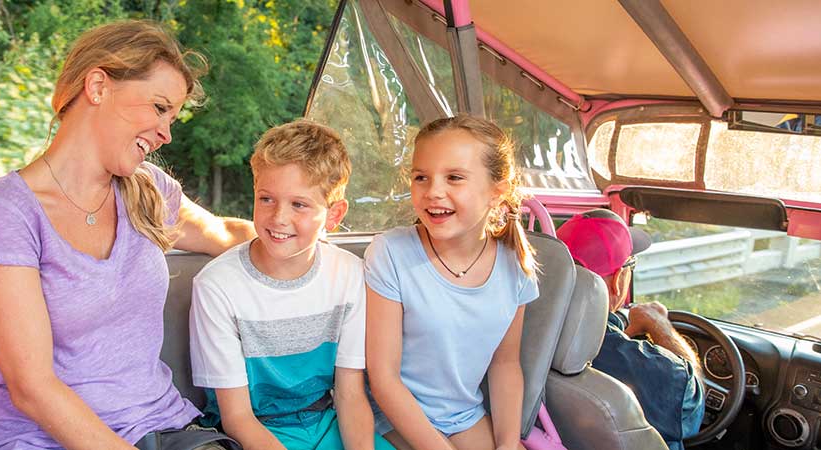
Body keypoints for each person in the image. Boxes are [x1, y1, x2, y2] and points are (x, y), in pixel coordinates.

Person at [0, 20, 256, 449]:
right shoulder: (5, 214)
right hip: (39, 439)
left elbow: (221, 232)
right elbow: (32, 388)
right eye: (160, 108)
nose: (167, 133)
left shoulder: (151, 190)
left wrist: (305, 231)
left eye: (173, 117)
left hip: (160, 425)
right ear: (99, 86)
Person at [188, 120, 394, 450]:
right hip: (252, 433)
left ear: (334, 214)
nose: (278, 217)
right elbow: (237, 417)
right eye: (266, 199)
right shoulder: (216, 287)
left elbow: (350, 393)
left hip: (326, 422)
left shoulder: (351, 274)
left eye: (299, 204)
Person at [365, 115, 540, 450]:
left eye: (454, 178)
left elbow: (505, 365)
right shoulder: (391, 253)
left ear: (496, 192)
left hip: (462, 417)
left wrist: (507, 444)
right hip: (389, 416)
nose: (433, 192)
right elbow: (383, 378)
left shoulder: (515, 269)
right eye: (421, 177)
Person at [556, 209, 705, 450]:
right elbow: (692, 408)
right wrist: (658, 324)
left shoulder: (525, 333)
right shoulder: (653, 370)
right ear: (618, 280)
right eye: (630, 265)